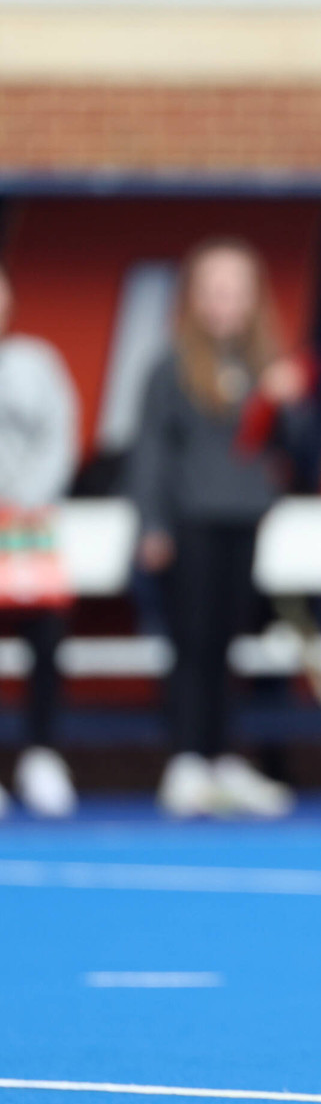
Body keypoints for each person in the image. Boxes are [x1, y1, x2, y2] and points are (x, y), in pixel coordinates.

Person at [128, 238, 307, 819]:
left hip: (244, 522)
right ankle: (185, 760)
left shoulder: (265, 366)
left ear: (254, 299)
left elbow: (299, 450)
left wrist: (290, 403)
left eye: (235, 289)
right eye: (213, 289)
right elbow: (150, 452)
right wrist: (152, 525)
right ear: (193, 298)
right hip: (189, 526)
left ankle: (218, 756)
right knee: (192, 645)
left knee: (228, 644)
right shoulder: (171, 366)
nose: (224, 301)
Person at [0, 265, 80, 818]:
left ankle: (41, 756)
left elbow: (61, 434)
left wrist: (27, 501)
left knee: (47, 635)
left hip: (25, 525)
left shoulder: (35, 361)